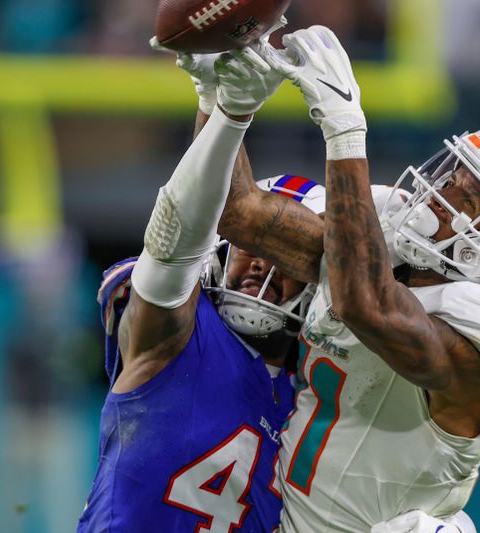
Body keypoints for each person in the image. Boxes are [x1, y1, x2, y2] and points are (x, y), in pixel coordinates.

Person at [209, 26, 480, 531]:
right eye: (456, 173)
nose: (443, 190)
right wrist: (224, 102)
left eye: (475, 196)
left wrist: (345, 130)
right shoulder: (391, 232)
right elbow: (238, 212)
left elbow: (368, 304)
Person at [76, 44, 327, 531]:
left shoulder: (317, 386)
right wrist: (223, 109)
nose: (259, 261)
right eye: (247, 243)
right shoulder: (179, 334)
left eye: (281, 252)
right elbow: (176, 238)